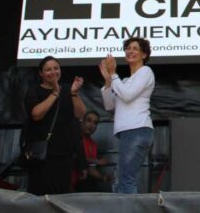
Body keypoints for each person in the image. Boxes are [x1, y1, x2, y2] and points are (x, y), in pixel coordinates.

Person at [99, 37, 155, 194]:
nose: (130, 51)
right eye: (128, 48)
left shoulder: (146, 71)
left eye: (135, 48)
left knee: (126, 180)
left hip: (137, 129)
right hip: (127, 132)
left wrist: (113, 74)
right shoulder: (123, 80)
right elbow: (109, 105)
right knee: (121, 180)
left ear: (144, 54)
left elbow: (128, 95)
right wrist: (108, 81)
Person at [24, 56, 85, 194]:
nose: (53, 72)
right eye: (48, 70)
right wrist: (55, 93)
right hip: (42, 154)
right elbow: (36, 114)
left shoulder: (68, 90)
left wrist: (74, 93)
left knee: (60, 194)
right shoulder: (34, 90)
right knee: (40, 195)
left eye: (56, 68)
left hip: (64, 153)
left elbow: (80, 114)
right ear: (41, 73)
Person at [72, 110, 112, 190]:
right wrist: (97, 161)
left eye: (95, 123)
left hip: (84, 182)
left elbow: (90, 168)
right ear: (82, 121)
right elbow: (76, 158)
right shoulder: (74, 138)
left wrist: (103, 177)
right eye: (89, 120)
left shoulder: (93, 144)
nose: (91, 125)